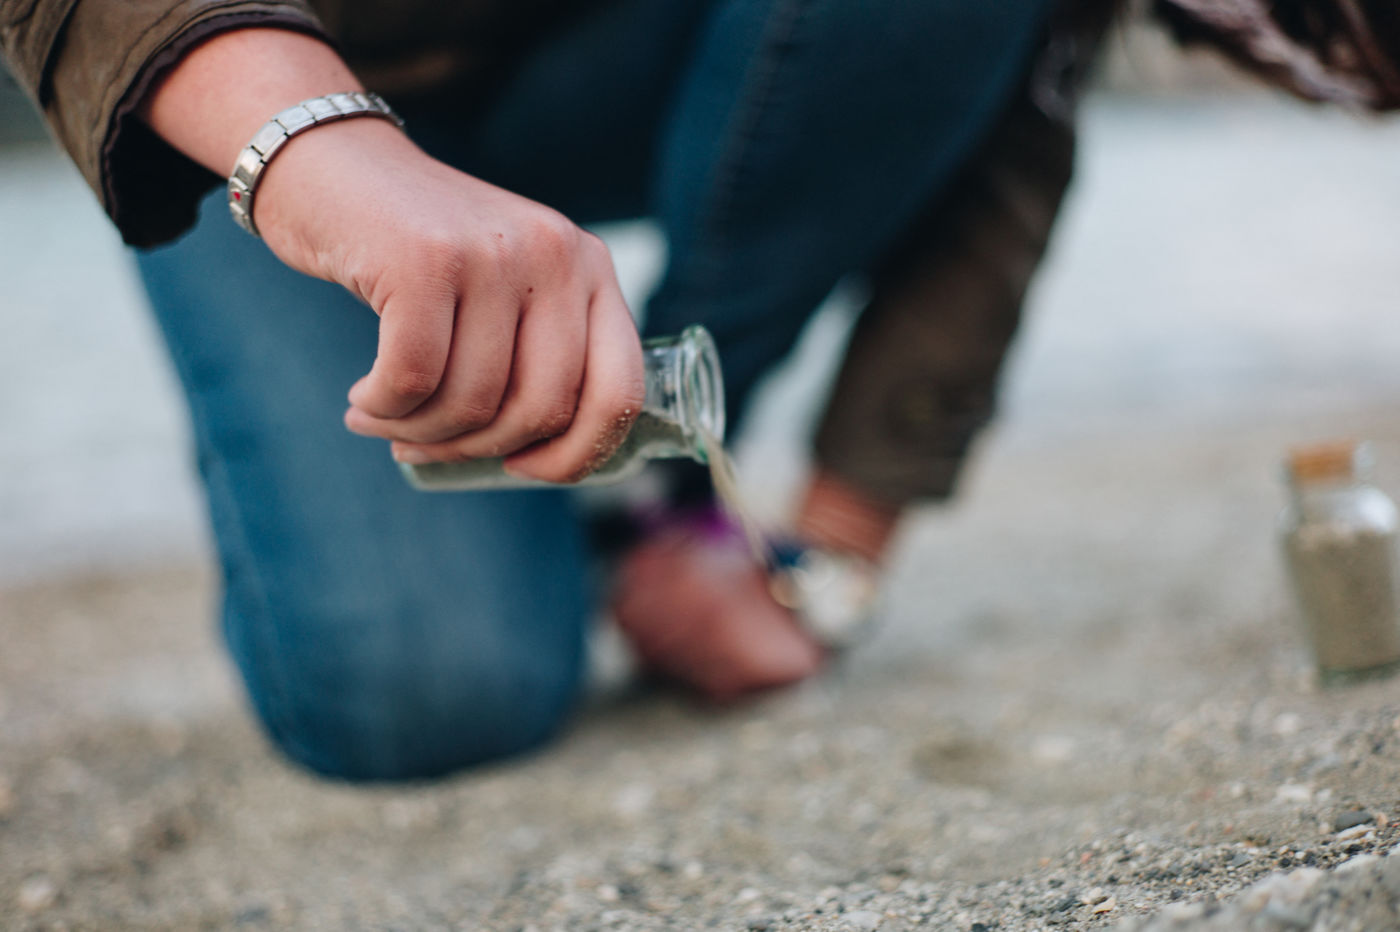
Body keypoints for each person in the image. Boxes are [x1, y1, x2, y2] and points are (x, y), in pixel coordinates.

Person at [4, 0, 1392, 781]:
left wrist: (826, 559)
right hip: (246, 93)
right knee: (426, 693)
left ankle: (651, 489)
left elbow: (1014, 103)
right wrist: (324, 153)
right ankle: (581, 478)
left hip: (638, 55)